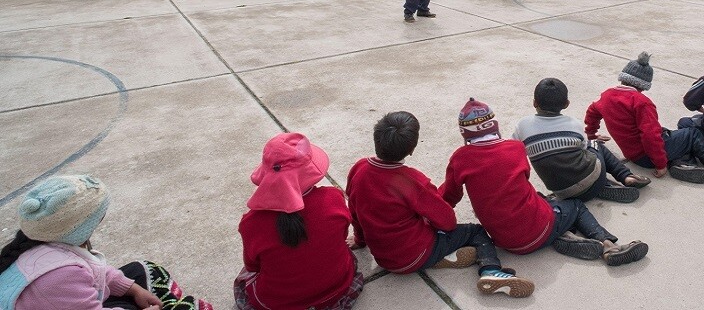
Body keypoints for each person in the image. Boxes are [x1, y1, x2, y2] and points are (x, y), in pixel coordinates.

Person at [439, 98, 648, 266]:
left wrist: (431, 218)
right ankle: (608, 245)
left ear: (464, 133)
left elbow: (449, 197)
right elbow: (523, 180)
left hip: (506, 242)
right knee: (574, 206)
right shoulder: (514, 148)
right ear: (494, 125)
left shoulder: (459, 158)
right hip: (537, 227)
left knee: (544, 201)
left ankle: (566, 236)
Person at [346, 111, 534, 298]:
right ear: (412, 149)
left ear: (376, 139)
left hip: (385, 258)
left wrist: (359, 240)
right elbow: (447, 222)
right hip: (415, 253)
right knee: (476, 232)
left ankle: (441, 258)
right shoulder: (412, 181)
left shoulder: (358, 169)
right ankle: (491, 270)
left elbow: (354, 210)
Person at [0, 175, 211, 310]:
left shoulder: (40, 242)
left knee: (142, 270)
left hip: (73, 301)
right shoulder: (59, 277)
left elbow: (97, 270)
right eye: (98, 216)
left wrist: (133, 290)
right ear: (78, 229)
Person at [237, 133, 362, 310]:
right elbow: (341, 238)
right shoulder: (334, 199)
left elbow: (253, 266)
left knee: (243, 281)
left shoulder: (251, 224)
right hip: (337, 287)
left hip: (280, 303)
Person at [584, 52, 704, 183]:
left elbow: (592, 111)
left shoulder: (606, 96)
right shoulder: (641, 102)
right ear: (644, 84)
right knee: (692, 133)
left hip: (633, 153)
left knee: (672, 134)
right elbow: (650, 136)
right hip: (646, 156)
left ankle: (683, 164)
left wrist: (592, 133)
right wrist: (660, 164)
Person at [513, 78, 651, 203]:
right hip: (592, 178)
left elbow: (513, 153)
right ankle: (625, 176)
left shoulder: (522, 126)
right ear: (566, 104)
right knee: (595, 144)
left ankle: (598, 187)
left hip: (562, 192)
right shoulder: (573, 124)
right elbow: (584, 148)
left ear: (534, 103)